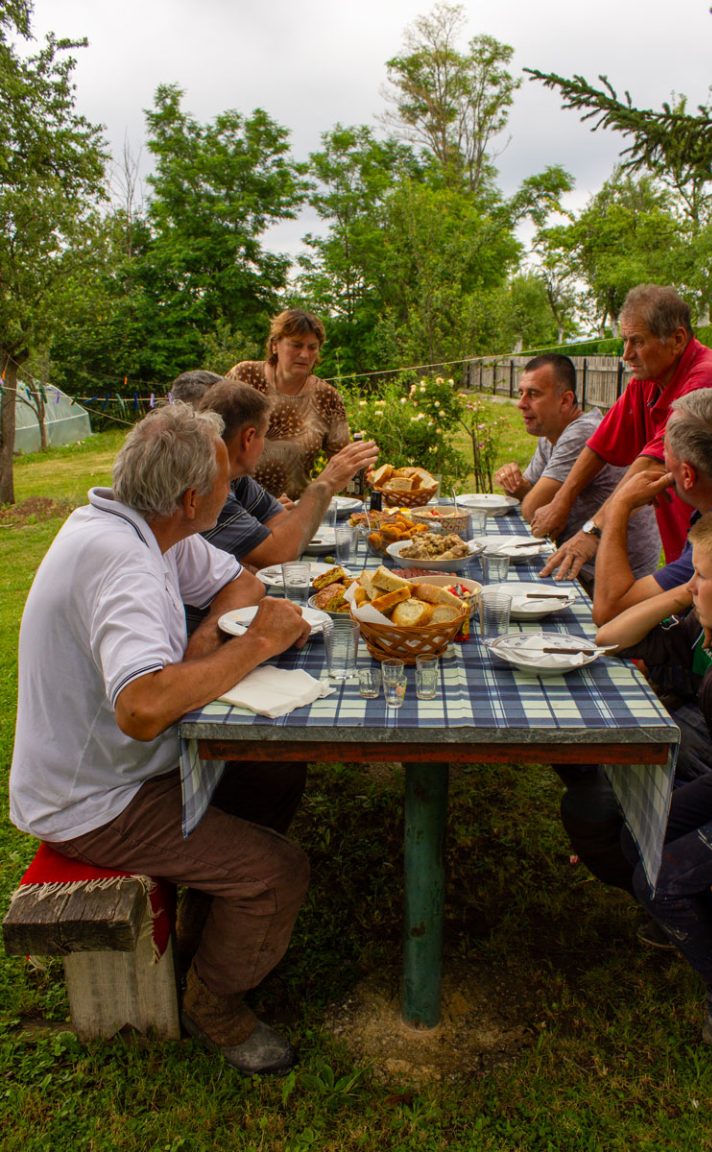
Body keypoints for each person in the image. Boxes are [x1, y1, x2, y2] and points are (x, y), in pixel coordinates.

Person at [9, 403, 314, 1075]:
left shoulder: (145, 527)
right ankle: (215, 1007)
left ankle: (212, 903)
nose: (234, 488)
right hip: (93, 799)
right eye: (225, 479)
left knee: (274, 772)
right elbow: (144, 708)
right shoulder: (124, 563)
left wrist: (202, 641)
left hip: (122, 768)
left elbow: (242, 579)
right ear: (189, 497)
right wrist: (255, 644)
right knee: (277, 874)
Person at [595, 504, 712, 1048]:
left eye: (700, 575)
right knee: (637, 833)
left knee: (659, 878)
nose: (690, 585)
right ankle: (698, 926)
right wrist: (684, 597)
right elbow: (610, 639)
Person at [532, 285, 712, 582]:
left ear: (677, 339)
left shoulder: (708, 376)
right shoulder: (649, 378)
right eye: (624, 341)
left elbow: (653, 464)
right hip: (695, 541)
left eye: (637, 342)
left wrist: (593, 532)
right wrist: (561, 501)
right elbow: (600, 445)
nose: (626, 354)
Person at [592, 388, 712, 626]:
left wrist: (619, 507)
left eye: (665, 452)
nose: (662, 460)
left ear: (687, 475)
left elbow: (611, 611)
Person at [493, 353, 660, 592]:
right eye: (521, 393)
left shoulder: (582, 432)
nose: (521, 403)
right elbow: (535, 502)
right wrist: (518, 485)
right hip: (577, 559)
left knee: (499, 585)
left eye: (533, 394)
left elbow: (532, 510)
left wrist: (531, 497)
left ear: (565, 400)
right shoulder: (552, 434)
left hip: (610, 576)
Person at [191, 377, 377, 572]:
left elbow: (282, 523)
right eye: (265, 435)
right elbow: (277, 553)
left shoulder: (236, 478)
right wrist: (325, 484)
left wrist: (267, 542)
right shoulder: (208, 487)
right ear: (248, 438)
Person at [227, 309, 350, 500]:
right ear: (275, 345)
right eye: (296, 345)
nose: (304, 354)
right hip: (236, 507)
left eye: (312, 347)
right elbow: (212, 437)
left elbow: (342, 461)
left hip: (294, 511)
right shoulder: (244, 377)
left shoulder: (327, 397)